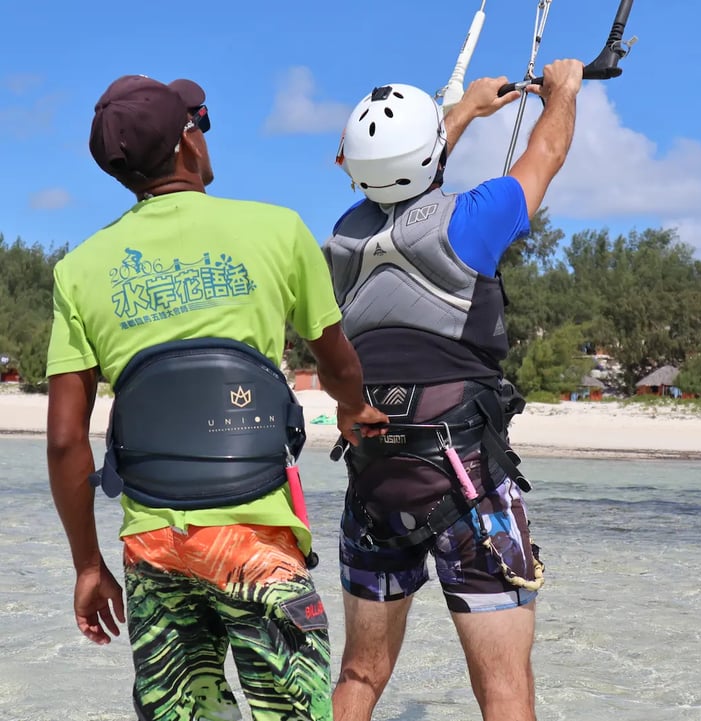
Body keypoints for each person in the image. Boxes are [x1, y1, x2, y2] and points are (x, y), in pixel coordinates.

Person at [45, 73, 387, 721]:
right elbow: (339, 364)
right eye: (200, 124)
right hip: (256, 539)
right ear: (187, 141)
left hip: (155, 546)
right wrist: (353, 408)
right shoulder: (279, 231)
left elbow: (66, 440)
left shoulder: (79, 269)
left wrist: (88, 567)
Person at [323, 60, 584, 721]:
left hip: (376, 483)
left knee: (359, 674)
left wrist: (464, 110)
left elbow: (398, 182)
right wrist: (564, 91)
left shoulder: (342, 240)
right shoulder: (475, 216)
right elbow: (547, 150)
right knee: (503, 690)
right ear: (432, 154)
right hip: (465, 479)